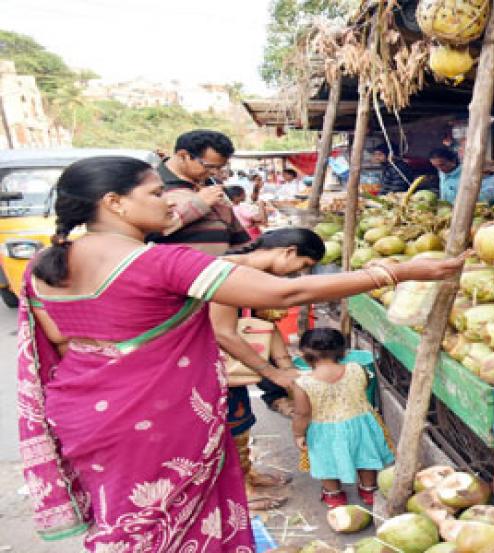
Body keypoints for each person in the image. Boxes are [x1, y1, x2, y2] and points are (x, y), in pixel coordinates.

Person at [16, 156, 464, 550]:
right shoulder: (161, 262)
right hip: (158, 421)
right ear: (114, 202)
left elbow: (58, 342)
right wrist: (395, 271)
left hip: (82, 415)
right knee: (176, 524)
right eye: (156, 193)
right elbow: (291, 292)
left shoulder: (42, 265)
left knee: (126, 519)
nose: (171, 202)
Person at [213, 229, 326, 510]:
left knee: (240, 420)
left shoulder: (250, 275)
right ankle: (240, 489)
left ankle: (246, 473)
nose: (297, 275)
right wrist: (273, 373)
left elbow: (260, 324)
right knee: (227, 423)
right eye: (303, 265)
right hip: (209, 362)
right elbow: (224, 333)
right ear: (289, 252)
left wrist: (286, 368)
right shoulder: (227, 271)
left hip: (229, 365)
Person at [290, 328, 394, 508]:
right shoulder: (356, 369)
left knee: (326, 461)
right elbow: (364, 387)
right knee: (365, 456)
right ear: (344, 352)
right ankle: (369, 489)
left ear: (304, 355)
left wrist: (299, 434)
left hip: (324, 429)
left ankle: (334, 494)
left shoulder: (303, 383)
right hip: (360, 422)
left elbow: (302, 413)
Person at [151, 129, 252, 255]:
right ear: (183, 156)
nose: (215, 173)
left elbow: (238, 237)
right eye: (210, 166)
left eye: (220, 167)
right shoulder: (149, 185)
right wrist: (199, 204)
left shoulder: (211, 185)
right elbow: (147, 233)